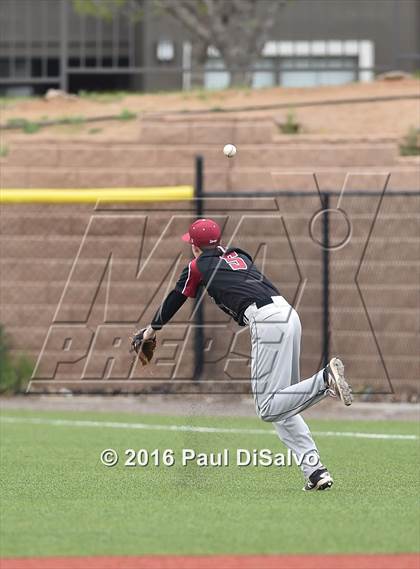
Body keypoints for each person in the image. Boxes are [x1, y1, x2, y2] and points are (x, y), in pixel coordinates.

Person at [138, 218, 352, 491]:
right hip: (288, 314)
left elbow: (176, 298)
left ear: (194, 245)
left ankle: (324, 380)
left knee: (267, 408)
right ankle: (315, 471)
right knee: (283, 404)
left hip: (267, 322)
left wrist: (151, 329)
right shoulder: (237, 253)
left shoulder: (197, 266)